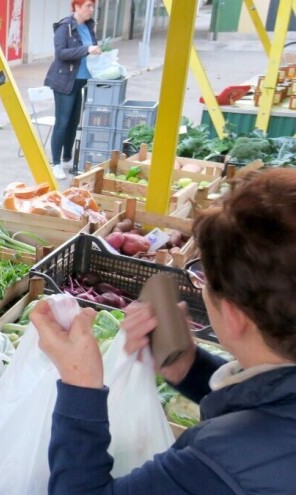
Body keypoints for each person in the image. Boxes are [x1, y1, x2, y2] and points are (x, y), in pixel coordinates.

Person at [29, 168, 296, 493]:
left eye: (202, 278)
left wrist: (80, 384)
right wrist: (190, 366)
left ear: (234, 314)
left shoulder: (219, 463)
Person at [43, 0, 101, 180]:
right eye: (87, 6)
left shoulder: (89, 27)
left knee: (74, 121)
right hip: (65, 80)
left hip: (83, 80)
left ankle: (67, 157)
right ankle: (56, 164)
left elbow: (90, 51)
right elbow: (61, 53)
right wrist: (87, 49)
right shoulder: (64, 27)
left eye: (93, 6)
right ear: (76, 6)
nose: (91, 10)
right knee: (63, 121)